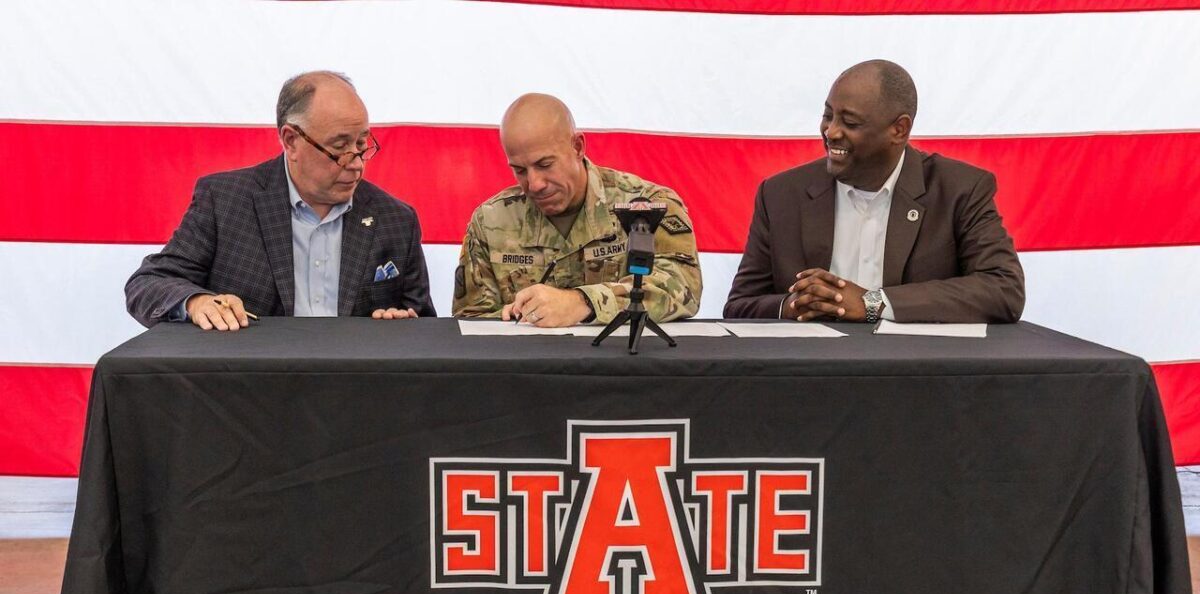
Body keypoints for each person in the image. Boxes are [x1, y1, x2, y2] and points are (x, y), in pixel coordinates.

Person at [125, 71, 435, 331]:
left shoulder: (396, 219)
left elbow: (422, 325)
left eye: (362, 143)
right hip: (251, 391)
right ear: (291, 141)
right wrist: (197, 302)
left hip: (353, 395)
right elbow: (149, 283)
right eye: (340, 147)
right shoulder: (225, 202)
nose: (356, 162)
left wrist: (402, 325)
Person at [724, 60, 1024, 324]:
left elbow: (1002, 288)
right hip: (812, 376)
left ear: (899, 130)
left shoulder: (960, 189)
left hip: (914, 376)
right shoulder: (780, 194)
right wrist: (792, 306)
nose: (831, 132)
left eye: (850, 122)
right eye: (828, 115)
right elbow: (739, 305)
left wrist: (873, 303)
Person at [453, 93, 701, 327]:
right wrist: (512, 316)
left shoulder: (648, 206)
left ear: (578, 146)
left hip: (623, 367)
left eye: (545, 164)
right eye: (520, 170)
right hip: (528, 370)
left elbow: (682, 288)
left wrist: (582, 302)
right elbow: (471, 319)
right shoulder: (491, 221)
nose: (535, 183)